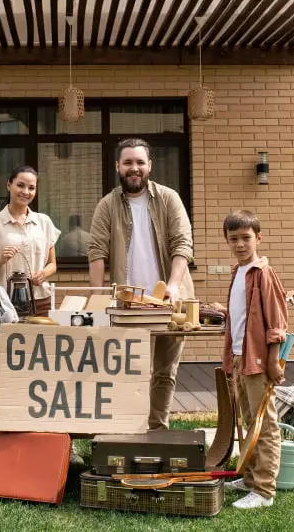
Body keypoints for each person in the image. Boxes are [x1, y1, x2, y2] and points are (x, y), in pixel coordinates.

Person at [88, 138, 195, 430]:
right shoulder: (107, 205)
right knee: (128, 370)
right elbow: (97, 252)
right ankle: (128, 429)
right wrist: (98, 298)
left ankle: (158, 429)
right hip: (128, 305)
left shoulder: (169, 198)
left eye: (139, 162)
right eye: (128, 163)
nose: (134, 168)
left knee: (164, 372)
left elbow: (183, 245)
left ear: (149, 166)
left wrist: (173, 286)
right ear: (117, 167)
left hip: (169, 304)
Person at [216, 209, 288, 510]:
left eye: (246, 238)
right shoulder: (238, 273)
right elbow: (243, 319)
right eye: (234, 239)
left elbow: (277, 323)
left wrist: (273, 362)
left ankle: (264, 490)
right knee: (249, 422)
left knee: (265, 424)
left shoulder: (264, 273)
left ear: (258, 238)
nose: (240, 244)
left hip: (259, 362)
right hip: (239, 359)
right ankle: (248, 478)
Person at [0, 165, 60, 316]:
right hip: (4, 302)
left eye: (31, 188)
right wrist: (0, 260)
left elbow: (52, 265)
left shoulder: (44, 222)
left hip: (41, 301)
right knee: (8, 341)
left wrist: (43, 273)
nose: (26, 192)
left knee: (42, 340)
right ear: (9, 185)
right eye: (20, 185)